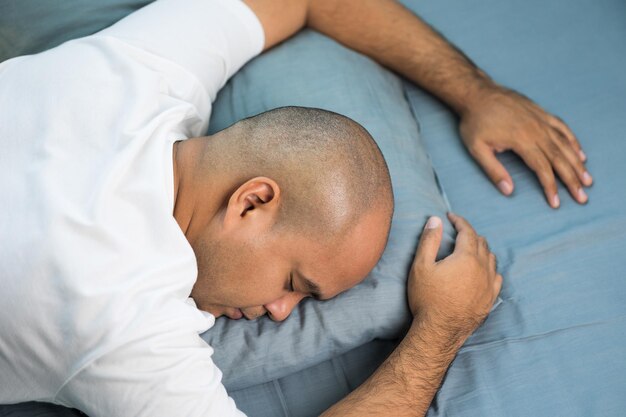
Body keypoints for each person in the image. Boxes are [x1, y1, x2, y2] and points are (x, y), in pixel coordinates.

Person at [0, 0, 593, 416]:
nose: (282, 313)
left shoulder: (132, 71)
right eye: (295, 281)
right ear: (253, 201)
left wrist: (478, 94)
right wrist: (442, 328)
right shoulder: (118, 317)